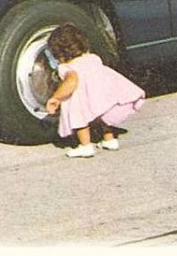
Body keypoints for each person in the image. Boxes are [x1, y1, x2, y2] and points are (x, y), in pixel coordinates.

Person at [44, 24, 145, 158]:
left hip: (82, 99)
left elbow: (72, 82)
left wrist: (56, 98)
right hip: (99, 95)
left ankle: (85, 146)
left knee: (79, 119)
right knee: (102, 116)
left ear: (59, 54)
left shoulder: (68, 67)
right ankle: (109, 140)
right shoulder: (93, 58)